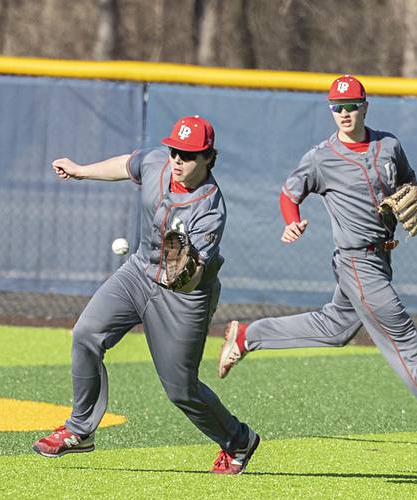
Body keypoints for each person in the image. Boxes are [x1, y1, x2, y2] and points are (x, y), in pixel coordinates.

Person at [218, 76, 417, 449]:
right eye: (337, 107)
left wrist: (414, 190)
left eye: (351, 106)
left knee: (335, 328)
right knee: (401, 335)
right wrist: (292, 221)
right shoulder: (321, 157)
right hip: (355, 261)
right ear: (330, 110)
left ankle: (247, 336)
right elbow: (289, 194)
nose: (344, 113)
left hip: (380, 257)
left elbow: (408, 181)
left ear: (365, 106)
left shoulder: (389, 145)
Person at [33, 115, 260, 475]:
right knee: (86, 334)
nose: (178, 160)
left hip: (184, 297)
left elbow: (189, 278)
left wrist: (182, 268)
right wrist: (80, 170)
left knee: (180, 390)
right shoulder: (157, 162)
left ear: (208, 158)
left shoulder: (210, 211)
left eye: (188, 154)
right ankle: (80, 430)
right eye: (175, 151)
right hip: (138, 273)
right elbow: (126, 164)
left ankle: (238, 440)